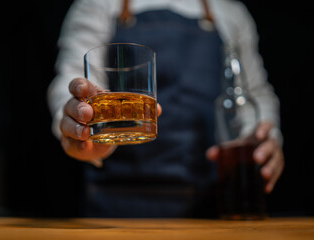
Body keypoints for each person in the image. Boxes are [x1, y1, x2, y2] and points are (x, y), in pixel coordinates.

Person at [47, 0, 284, 217]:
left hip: (209, 206)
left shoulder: (230, 11)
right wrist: (76, 126)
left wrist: (263, 139)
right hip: (115, 206)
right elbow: (75, 80)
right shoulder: (97, 4)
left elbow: (254, 94)